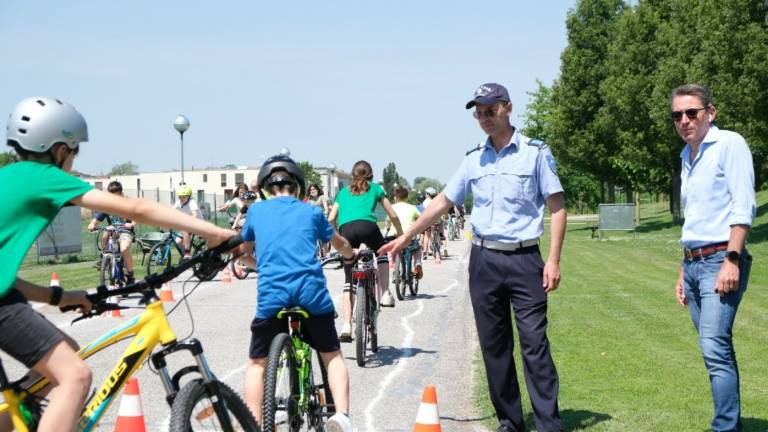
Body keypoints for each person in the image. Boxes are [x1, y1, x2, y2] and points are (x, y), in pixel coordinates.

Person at [0, 97, 235, 432]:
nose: (73, 158)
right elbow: (136, 209)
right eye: (74, 150)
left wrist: (59, 297)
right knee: (76, 376)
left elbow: (5, 279)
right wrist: (213, 232)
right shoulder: (43, 177)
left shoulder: (10, 176)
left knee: (64, 353)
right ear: (58, 148)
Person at [380, 83, 566, 432]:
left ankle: (548, 425)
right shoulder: (472, 158)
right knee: (495, 349)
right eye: (478, 112)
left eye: (490, 110)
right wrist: (406, 236)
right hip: (484, 261)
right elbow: (442, 203)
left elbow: (557, 208)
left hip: (525, 260)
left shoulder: (536, 153)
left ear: (507, 108)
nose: (483, 118)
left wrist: (553, 260)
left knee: (534, 345)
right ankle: (510, 422)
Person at [237, 155, 356, 431]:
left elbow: (241, 254)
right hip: (310, 295)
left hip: (272, 297)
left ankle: (254, 426)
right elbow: (339, 244)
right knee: (332, 356)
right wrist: (350, 254)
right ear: (299, 186)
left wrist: (260, 265)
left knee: (257, 364)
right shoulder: (313, 212)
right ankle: (342, 418)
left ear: (266, 188)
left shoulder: (256, 212)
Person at [671, 84, 755, 432]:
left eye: (693, 112)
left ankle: (724, 427)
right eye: (678, 115)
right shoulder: (686, 156)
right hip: (693, 264)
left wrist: (731, 260)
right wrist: (682, 270)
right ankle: (728, 424)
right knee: (715, 348)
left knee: (713, 346)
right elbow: (697, 217)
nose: (685, 120)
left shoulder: (729, 144)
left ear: (711, 112)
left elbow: (743, 205)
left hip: (721, 259)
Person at [327, 160, 403, 340]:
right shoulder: (376, 188)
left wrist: (337, 237)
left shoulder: (343, 192)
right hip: (369, 228)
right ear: (370, 175)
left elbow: (330, 219)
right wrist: (401, 234)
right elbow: (392, 215)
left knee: (348, 281)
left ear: (352, 175)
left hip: (347, 231)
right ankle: (385, 293)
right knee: (382, 252)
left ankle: (346, 325)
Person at [87, 180, 137, 284]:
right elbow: (97, 220)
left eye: (116, 196)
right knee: (107, 230)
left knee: (124, 249)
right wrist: (92, 225)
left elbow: (135, 217)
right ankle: (105, 257)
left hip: (125, 231)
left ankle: (130, 274)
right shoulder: (108, 206)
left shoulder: (128, 204)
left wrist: (131, 224)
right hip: (114, 231)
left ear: (121, 194)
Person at [386, 186, 423, 280]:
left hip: (395, 236)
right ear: (407, 197)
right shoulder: (412, 208)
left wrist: (388, 228)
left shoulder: (391, 208)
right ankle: (418, 264)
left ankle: (395, 270)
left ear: (395, 197)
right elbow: (421, 219)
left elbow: (388, 221)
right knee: (417, 250)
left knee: (395, 249)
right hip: (409, 236)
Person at [173, 185, 204, 259]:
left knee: (185, 230)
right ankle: (186, 259)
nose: (182, 198)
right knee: (178, 243)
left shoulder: (192, 202)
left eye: (184, 196)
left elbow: (195, 215)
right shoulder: (178, 203)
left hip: (198, 224)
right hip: (188, 224)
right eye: (180, 197)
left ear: (188, 196)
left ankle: (187, 252)